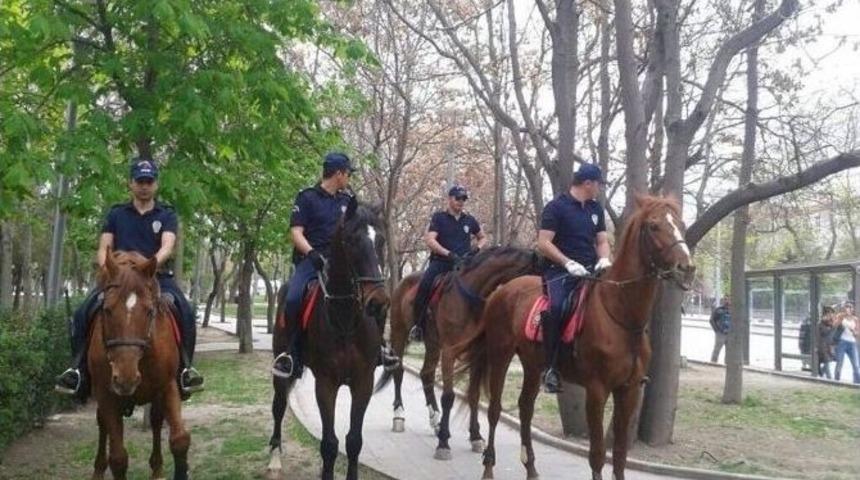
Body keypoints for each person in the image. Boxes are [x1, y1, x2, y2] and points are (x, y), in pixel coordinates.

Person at [55, 158, 203, 399]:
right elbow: (104, 247)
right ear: (131, 183)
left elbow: (167, 246)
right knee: (83, 312)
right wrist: (108, 267)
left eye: (149, 181)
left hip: (154, 276)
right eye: (139, 181)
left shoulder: (166, 214)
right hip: (119, 280)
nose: (144, 186)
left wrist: (147, 266)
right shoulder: (116, 213)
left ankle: (185, 370)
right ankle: (78, 370)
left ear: (156, 184)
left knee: (184, 310)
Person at [271, 152, 398, 378]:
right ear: (338, 174)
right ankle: (291, 353)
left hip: (343, 264)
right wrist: (311, 253)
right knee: (292, 298)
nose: (349, 178)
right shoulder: (307, 198)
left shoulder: (348, 201)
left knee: (375, 295)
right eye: (348, 173)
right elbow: (296, 233)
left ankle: (379, 348)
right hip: (312, 262)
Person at [535, 163, 612, 393]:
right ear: (588, 183)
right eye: (598, 184)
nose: (599, 189)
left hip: (591, 270)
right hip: (560, 272)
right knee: (557, 308)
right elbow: (543, 243)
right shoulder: (556, 208)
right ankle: (550, 368)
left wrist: (605, 259)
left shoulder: (596, 209)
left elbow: (601, 241)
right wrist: (567, 263)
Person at [409, 185, 487, 342]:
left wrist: (476, 249)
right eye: (458, 198)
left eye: (464, 199)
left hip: (464, 264)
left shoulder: (469, 220)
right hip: (442, 262)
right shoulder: (439, 218)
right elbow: (430, 240)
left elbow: (483, 237)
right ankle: (418, 325)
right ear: (449, 199)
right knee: (424, 285)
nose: (461, 201)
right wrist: (448, 254)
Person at [833, 301, 860, 383]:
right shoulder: (841, 317)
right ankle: (836, 380)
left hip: (852, 343)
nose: (847, 309)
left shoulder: (856, 319)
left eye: (849, 308)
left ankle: (856, 382)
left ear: (852, 309)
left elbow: (858, 333)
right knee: (839, 362)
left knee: (855, 364)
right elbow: (834, 325)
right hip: (842, 342)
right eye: (846, 308)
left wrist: (855, 332)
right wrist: (840, 318)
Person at [709, 296, 731, 363]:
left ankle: (727, 364)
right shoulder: (718, 310)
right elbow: (711, 320)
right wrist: (717, 330)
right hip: (721, 333)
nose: (727, 301)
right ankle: (713, 363)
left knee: (729, 351)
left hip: (730, 334)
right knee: (717, 350)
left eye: (729, 299)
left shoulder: (734, 310)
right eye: (725, 299)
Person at [817, 305, 837, 379]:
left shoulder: (830, 323)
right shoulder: (821, 323)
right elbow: (825, 333)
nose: (831, 315)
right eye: (830, 313)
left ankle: (820, 374)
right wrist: (833, 326)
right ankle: (830, 380)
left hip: (828, 347)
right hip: (823, 347)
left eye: (832, 313)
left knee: (827, 363)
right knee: (827, 363)